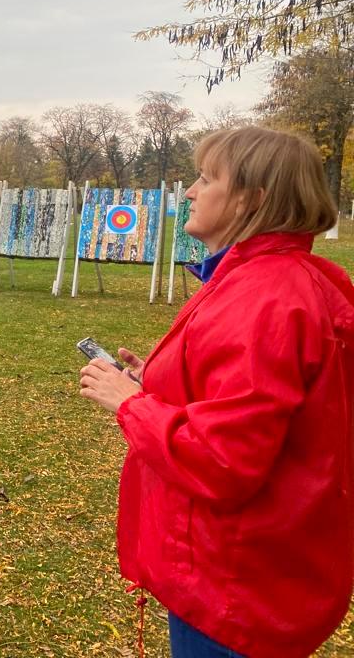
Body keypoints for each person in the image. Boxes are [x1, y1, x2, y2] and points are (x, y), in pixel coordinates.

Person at [79, 126, 354, 658]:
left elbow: (226, 459)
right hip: (260, 571)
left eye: (207, 179)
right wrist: (158, 382)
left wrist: (130, 404)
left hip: (235, 585)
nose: (190, 191)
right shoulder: (280, 280)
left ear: (252, 199)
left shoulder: (265, 298)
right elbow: (266, 405)